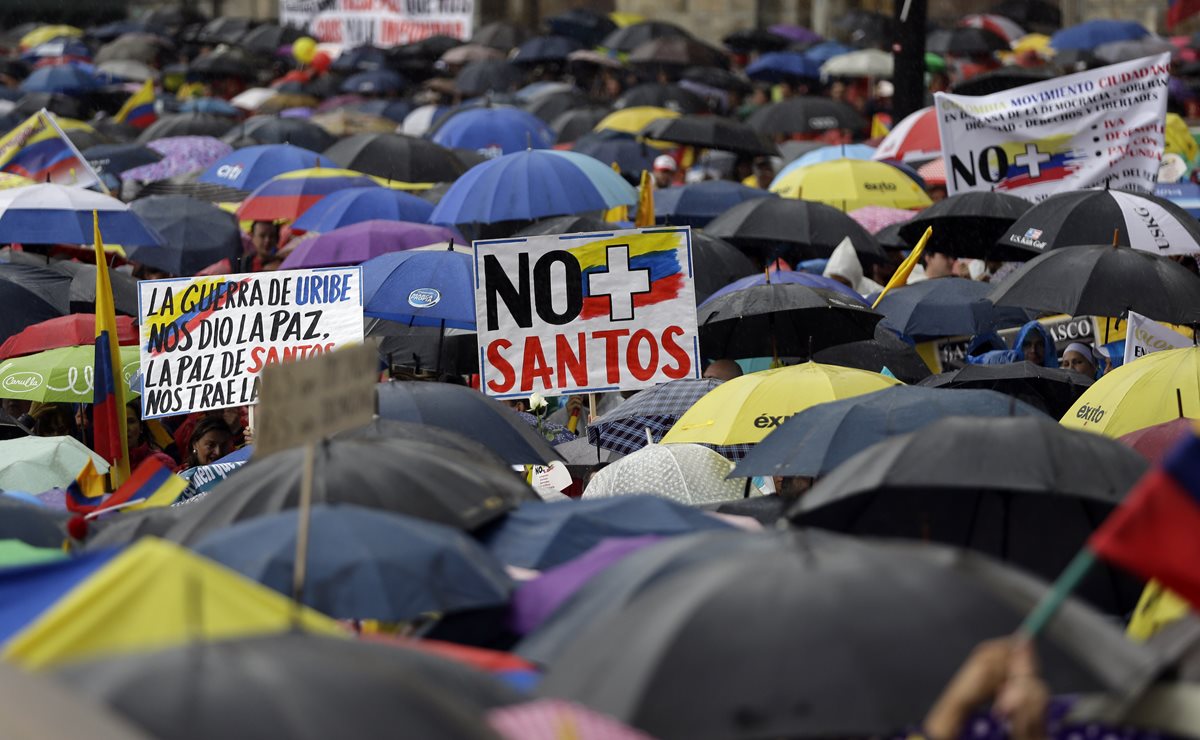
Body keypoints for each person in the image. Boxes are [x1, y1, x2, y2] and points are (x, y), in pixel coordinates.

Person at [126, 401, 177, 469]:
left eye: (131, 421)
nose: (126, 428)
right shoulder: (108, 469)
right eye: (119, 423)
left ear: (141, 427)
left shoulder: (161, 463)